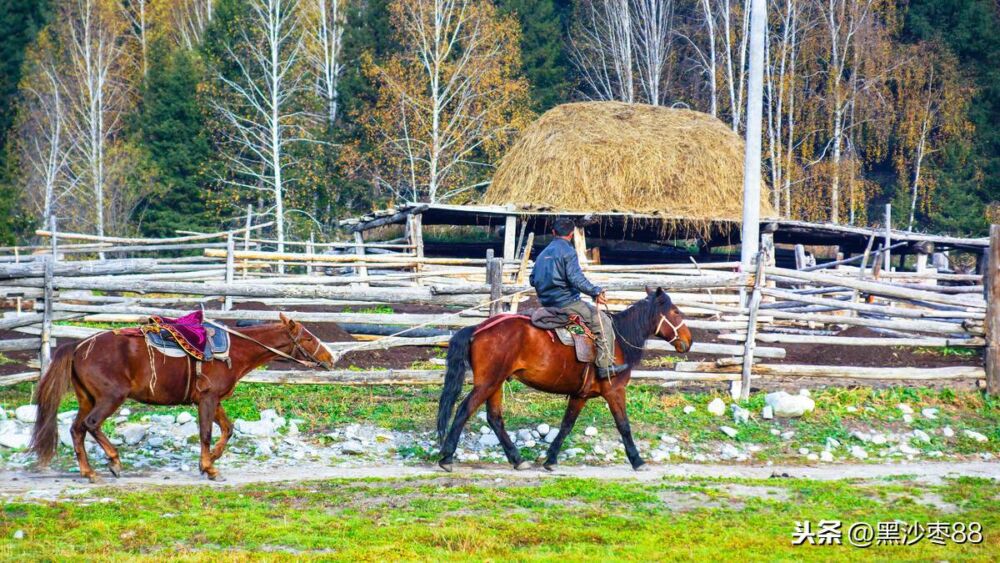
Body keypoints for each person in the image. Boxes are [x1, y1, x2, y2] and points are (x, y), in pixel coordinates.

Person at [529, 218, 628, 379]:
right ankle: (604, 367)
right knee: (603, 322)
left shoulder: (543, 253)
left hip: (546, 302)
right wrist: (595, 291)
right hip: (567, 303)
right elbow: (576, 279)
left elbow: (532, 279)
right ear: (571, 234)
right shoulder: (568, 251)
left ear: (553, 232)